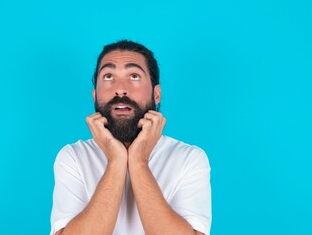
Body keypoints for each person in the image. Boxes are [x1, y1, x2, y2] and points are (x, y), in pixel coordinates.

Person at [50, 40, 211, 235]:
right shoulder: (73, 157)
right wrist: (116, 161)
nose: (120, 89)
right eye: (108, 76)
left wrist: (138, 162)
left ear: (156, 94)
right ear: (95, 95)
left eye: (134, 76)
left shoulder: (189, 158)